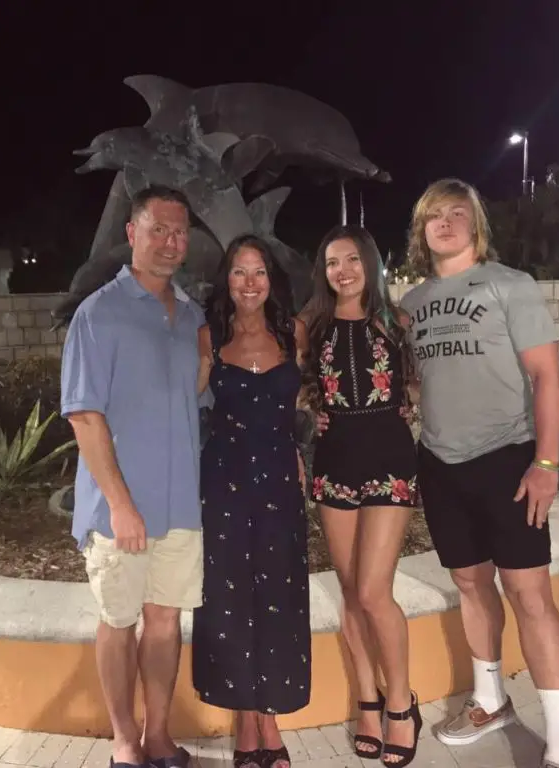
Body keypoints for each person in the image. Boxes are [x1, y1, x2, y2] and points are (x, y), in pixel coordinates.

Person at [400, 178, 559, 768]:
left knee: (530, 595)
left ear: (476, 224)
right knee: (470, 584)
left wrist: (547, 463)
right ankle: (490, 699)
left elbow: (548, 378)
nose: (445, 223)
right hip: (441, 464)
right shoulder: (413, 305)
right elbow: (422, 379)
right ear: (422, 230)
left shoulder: (509, 285)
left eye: (457, 213)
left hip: (508, 460)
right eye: (433, 216)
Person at [61, 185, 205, 768]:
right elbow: (85, 416)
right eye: (158, 230)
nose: (171, 243)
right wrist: (120, 504)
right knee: (119, 621)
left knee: (166, 624)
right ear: (132, 233)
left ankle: (159, 736)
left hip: (179, 504)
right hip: (120, 508)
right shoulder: (99, 313)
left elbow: (192, 397)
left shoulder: (191, 313)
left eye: (179, 233)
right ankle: (125, 742)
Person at [302, 226, 422, 768]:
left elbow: (419, 383)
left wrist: (414, 406)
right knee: (350, 589)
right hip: (334, 463)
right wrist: (309, 409)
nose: (342, 270)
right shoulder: (312, 326)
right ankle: (367, 702)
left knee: (375, 591)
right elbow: (299, 384)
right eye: (332, 261)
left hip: (389, 460)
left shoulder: (396, 323)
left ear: (370, 264)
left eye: (352, 259)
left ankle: (402, 703)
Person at [191, 235, 311, 768]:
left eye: (258, 272)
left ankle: (272, 717)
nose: (249, 283)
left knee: (280, 594)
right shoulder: (207, 338)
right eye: (239, 273)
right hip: (224, 484)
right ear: (227, 280)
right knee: (230, 600)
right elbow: (184, 404)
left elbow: (307, 401)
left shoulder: (295, 334)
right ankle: (246, 723)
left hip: (281, 484)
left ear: (271, 280)